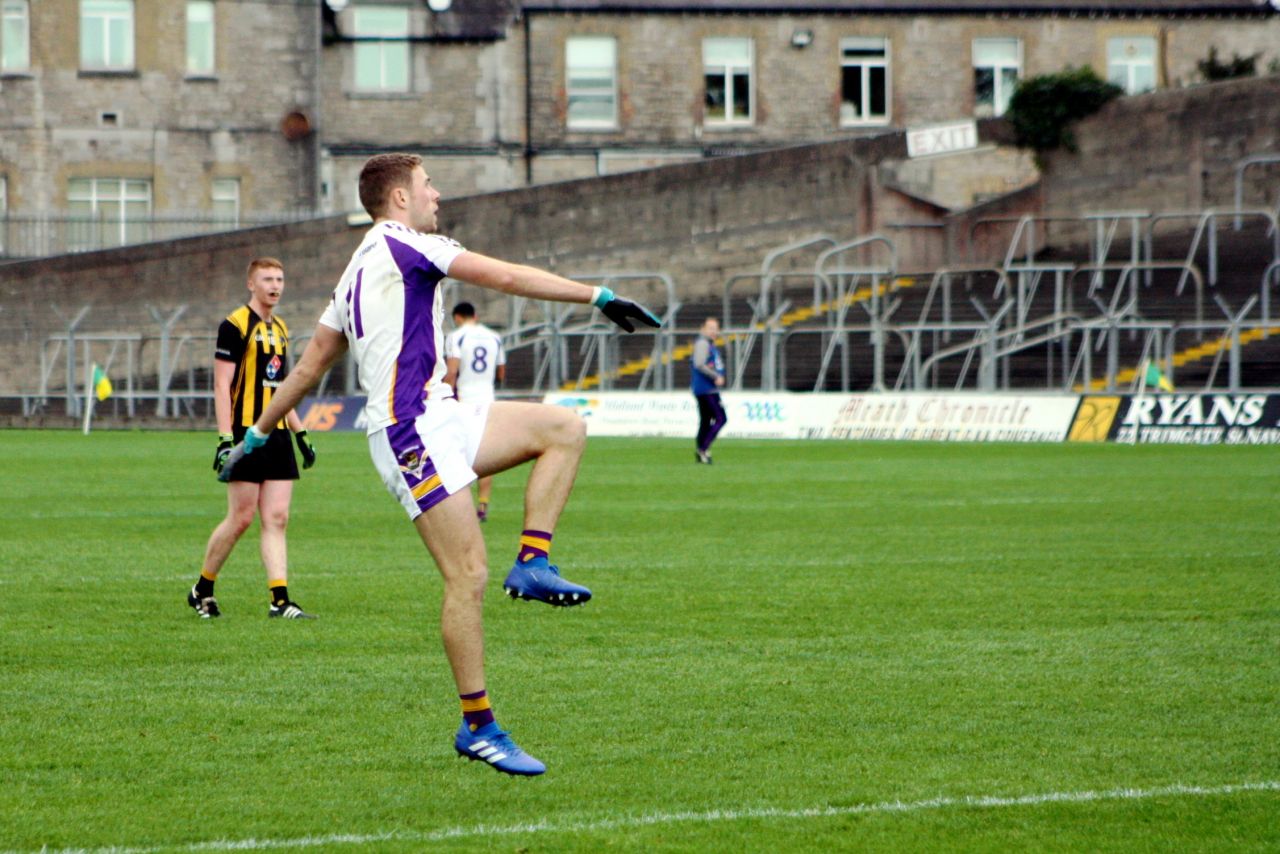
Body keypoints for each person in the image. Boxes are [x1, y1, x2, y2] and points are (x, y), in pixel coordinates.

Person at [218, 153, 659, 776]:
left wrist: (256, 435)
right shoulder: (408, 245)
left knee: (564, 427)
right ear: (399, 198)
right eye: (428, 186)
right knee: (468, 576)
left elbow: (310, 366)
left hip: (442, 416)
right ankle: (478, 726)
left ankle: (533, 560)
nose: (438, 194)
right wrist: (597, 295)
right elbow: (503, 275)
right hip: (409, 432)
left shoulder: (354, 271)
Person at [188, 257, 318, 620]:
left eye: (279, 278)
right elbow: (221, 385)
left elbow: (282, 390)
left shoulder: (280, 328)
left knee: (277, 517)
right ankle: (203, 588)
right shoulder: (233, 326)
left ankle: (280, 600)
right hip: (246, 434)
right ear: (251, 284)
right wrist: (224, 438)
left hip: (276, 435)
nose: (275, 285)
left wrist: (300, 431)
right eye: (267, 279)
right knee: (242, 517)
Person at [442, 301, 505, 522]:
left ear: (457, 317)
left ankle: (463, 507)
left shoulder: (455, 336)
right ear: (475, 315)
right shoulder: (494, 337)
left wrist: (446, 396)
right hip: (488, 400)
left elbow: (451, 372)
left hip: (465, 401)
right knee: (485, 454)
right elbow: (501, 372)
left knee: (461, 454)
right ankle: (483, 505)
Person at [691, 316, 727, 464]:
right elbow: (699, 364)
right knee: (721, 418)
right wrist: (715, 376)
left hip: (704, 389)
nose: (714, 331)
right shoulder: (703, 343)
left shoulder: (709, 344)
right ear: (703, 329)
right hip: (707, 389)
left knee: (705, 421)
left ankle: (701, 453)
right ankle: (703, 449)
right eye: (710, 328)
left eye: (716, 328)